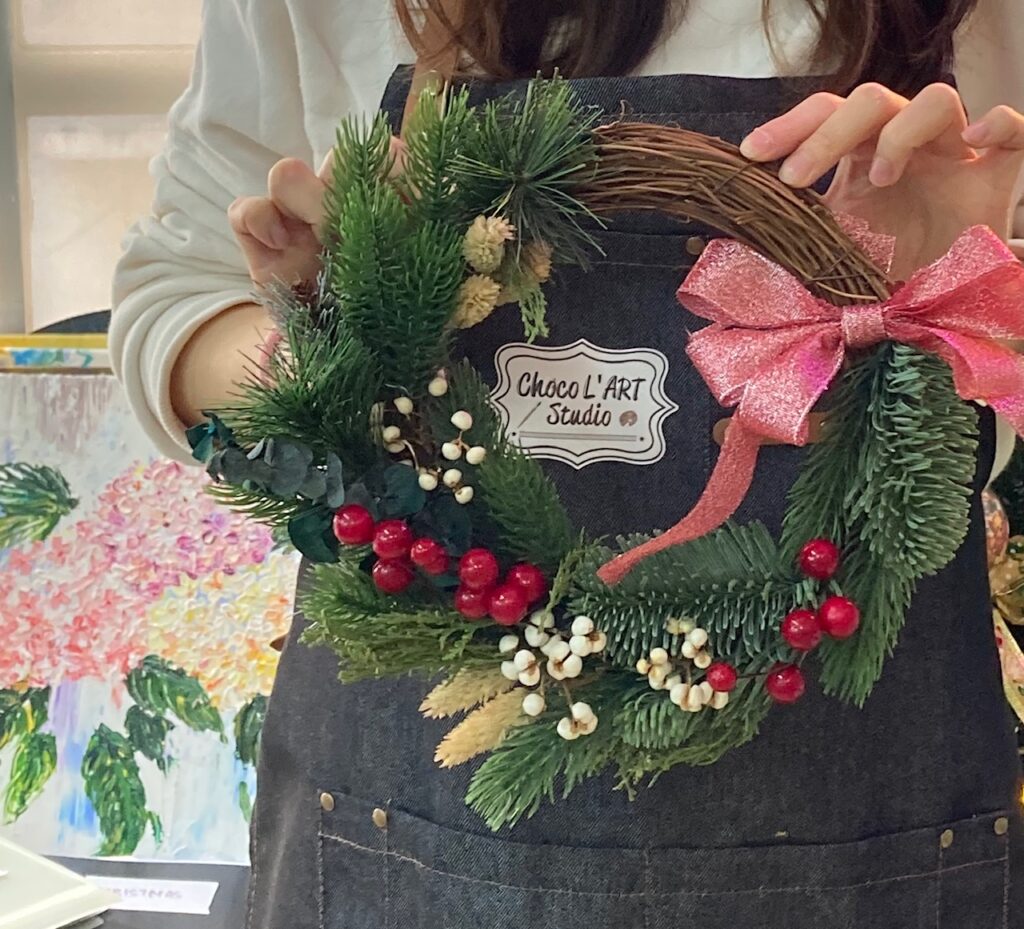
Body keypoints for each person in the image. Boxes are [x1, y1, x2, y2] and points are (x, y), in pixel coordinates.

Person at [111, 2, 1024, 926]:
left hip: (870, 827)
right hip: (401, 838)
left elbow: (992, 388)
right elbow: (174, 298)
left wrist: (957, 305)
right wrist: (329, 355)